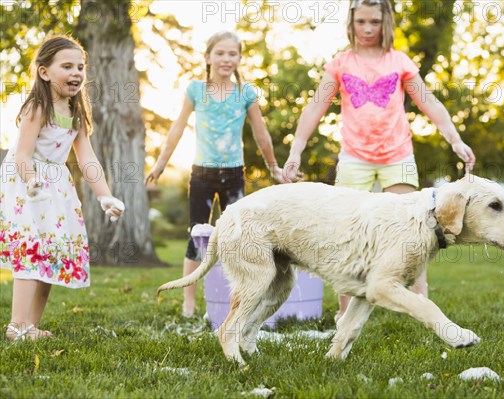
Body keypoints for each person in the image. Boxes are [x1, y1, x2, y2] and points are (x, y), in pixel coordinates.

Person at [283, 0, 476, 322]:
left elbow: (428, 101)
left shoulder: (398, 61)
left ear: (385, 23)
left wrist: (455, 138)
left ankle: (420, 305)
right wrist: (295, 150)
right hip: (354, 157)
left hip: (397, 154)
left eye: (374, 21)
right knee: (345, 232)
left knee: (414, 229)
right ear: (352, 23)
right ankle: (346, 313)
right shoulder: (341, 64)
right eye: (361, 22)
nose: (368, 28)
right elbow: (314, 107)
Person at [145, 31, 285, 317]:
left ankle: (232, 299)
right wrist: (160, 165)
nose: (226, 59)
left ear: (239, 58)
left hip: (234, 175)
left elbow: (262, 135)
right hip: (202, 176)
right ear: (207, 57)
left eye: (232, 54)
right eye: (220, 53)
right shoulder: (195, 90)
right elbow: (177, 129)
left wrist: (274, 169)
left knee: (236, 237)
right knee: (196, 235)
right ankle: (189, 303)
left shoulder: (246, 93)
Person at [0, 35, 125, 341]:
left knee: (52, 253)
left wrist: (105, 196)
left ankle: (30, 325)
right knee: (31, 252)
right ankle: (16, 326)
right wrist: (31, 182)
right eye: (67, 66)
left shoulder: (76, 113)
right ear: (45, 72)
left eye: (80, 67)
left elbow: (87, 160)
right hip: (27, 188)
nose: (76, 73)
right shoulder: (37, 106)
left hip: (57, 190)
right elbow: (22, 155)